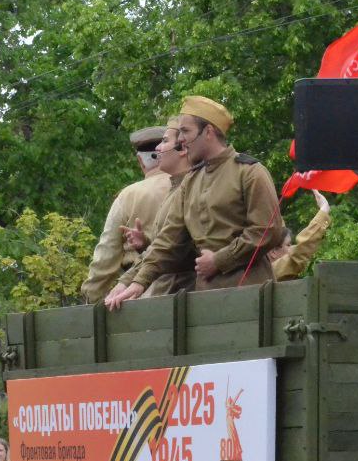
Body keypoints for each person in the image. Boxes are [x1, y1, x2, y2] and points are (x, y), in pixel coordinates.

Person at [106, 96, 286, 310]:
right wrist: (134, 282)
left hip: (251, 297)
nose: (181, 140)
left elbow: (267, 230)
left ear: (208, 132)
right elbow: (168, 241)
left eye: (186, 131)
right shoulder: (191, 181)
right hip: (205, 299)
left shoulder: (249, 172)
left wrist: (219, 260)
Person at [106, 116, 197, 300]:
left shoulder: (189, 188)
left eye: (165, 141)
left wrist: (134, 282)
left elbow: (171, 245)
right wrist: (145, 245)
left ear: (181, 148)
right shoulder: (177, 187)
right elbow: (166, 243)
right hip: (171, 291)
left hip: (179, 292)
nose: (159, 148)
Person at [80, 125, 172, 302]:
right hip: (192, 286)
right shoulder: (191, 184)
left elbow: (107, 255)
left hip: (140, 291)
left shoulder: (128, 195)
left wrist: (91, 297)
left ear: (140, 161)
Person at [270, 189, 332, 281]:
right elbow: (299, 252)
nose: (292, 248)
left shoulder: (263, 271)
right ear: (273, 252)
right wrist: (324, 210)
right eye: (288, 245)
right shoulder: (272, 270)